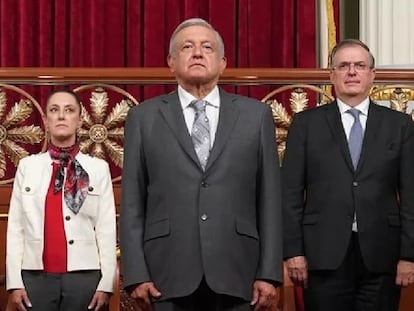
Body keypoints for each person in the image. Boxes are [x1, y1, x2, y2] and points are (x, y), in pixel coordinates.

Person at [120, 17, 282, 311]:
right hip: (165, 274)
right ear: (171, 61)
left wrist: (269, 273)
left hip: (238, 273)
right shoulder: (143, 118)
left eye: (207, 47)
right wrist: (135, 274)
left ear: (222, 62)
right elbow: (132, 201)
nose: (197, 53)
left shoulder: (256, 116)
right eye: (187, 47)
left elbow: (269, 198)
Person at [282, 38, 414, 311]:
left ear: (371, 75)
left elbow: (412, 194)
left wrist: (409, 255)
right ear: (332, 75)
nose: (352, 72)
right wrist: (293, 251)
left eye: (359, 65)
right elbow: (290, 194)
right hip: (322, 256)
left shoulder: (399, 125)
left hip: (383, 256)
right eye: (343, 66)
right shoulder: (306, 124)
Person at [6, 89, 117, 311]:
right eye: (54, 110)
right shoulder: (28, 167)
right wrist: (14, 282)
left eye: (69, 110)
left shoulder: (97, 169)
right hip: (35, 277)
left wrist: (105, 284)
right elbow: (16, 228)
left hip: (84, 276)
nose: (61, 116)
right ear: (46, 121)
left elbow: (106, 229)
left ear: (79, 120)